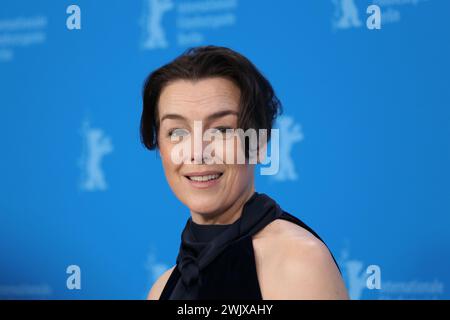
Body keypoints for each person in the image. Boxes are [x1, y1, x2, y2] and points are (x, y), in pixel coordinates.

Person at [140, 45, 349, 299]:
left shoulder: (298, 264)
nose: (196, 152)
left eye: (222, 130)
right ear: (160, 147)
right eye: (177, 132)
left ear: (259, 144)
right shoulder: (162, 289)